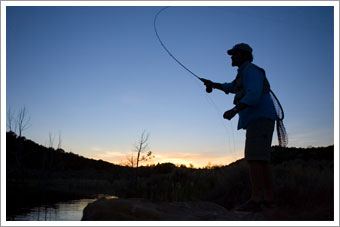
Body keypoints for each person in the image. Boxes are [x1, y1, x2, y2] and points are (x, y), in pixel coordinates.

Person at [201, 43, 278, 212]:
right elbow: (230, 87)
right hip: (259, 120)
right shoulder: (243, 73)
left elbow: (253, 95)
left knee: (254, 159)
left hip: (260, 118)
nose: (231, 57)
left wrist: (234, 110)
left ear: (243, 55)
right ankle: (269, 200)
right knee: (259, 160)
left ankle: (257, 200)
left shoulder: (251, 71)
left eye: (234, 54)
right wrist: (212, 84)